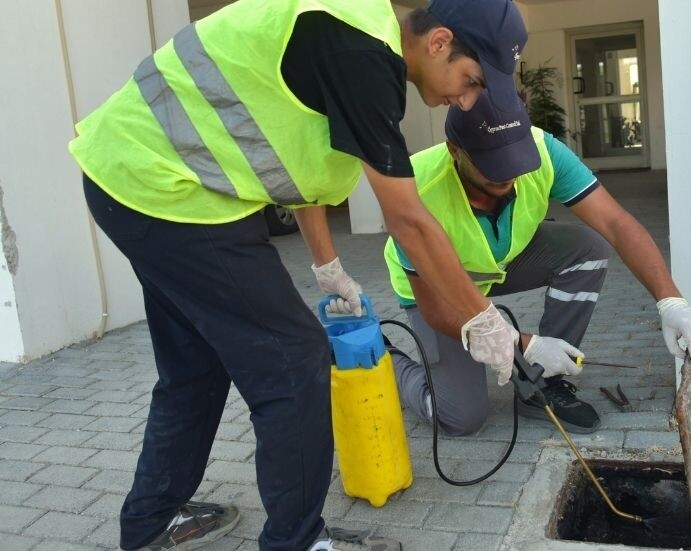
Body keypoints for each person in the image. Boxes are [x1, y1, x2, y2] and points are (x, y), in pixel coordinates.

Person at [68, 1, 527, 550]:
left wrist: (326, 265)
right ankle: (297, 541)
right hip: (175, 196)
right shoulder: (363, 53)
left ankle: (150, 521)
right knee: (294, 362)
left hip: (131, 179)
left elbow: (296, 166)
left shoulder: (353, 38)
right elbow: (409, 220)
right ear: (438, 42)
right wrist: (483, 318)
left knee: (194, 364)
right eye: (470, 79)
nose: (467, 98)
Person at [384, 91, 691, 435]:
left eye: (514, 158)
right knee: (459, 419)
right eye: (492, 164)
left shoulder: (544, 151)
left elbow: (616, 224)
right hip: (437, 288)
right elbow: (435, 310)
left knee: (588, 248)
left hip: (499, 261)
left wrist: (671, 302)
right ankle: (385, 356)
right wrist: (526, 344)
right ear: (454, 150)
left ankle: (544, 382)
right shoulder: (414, 189)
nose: (507, 173)